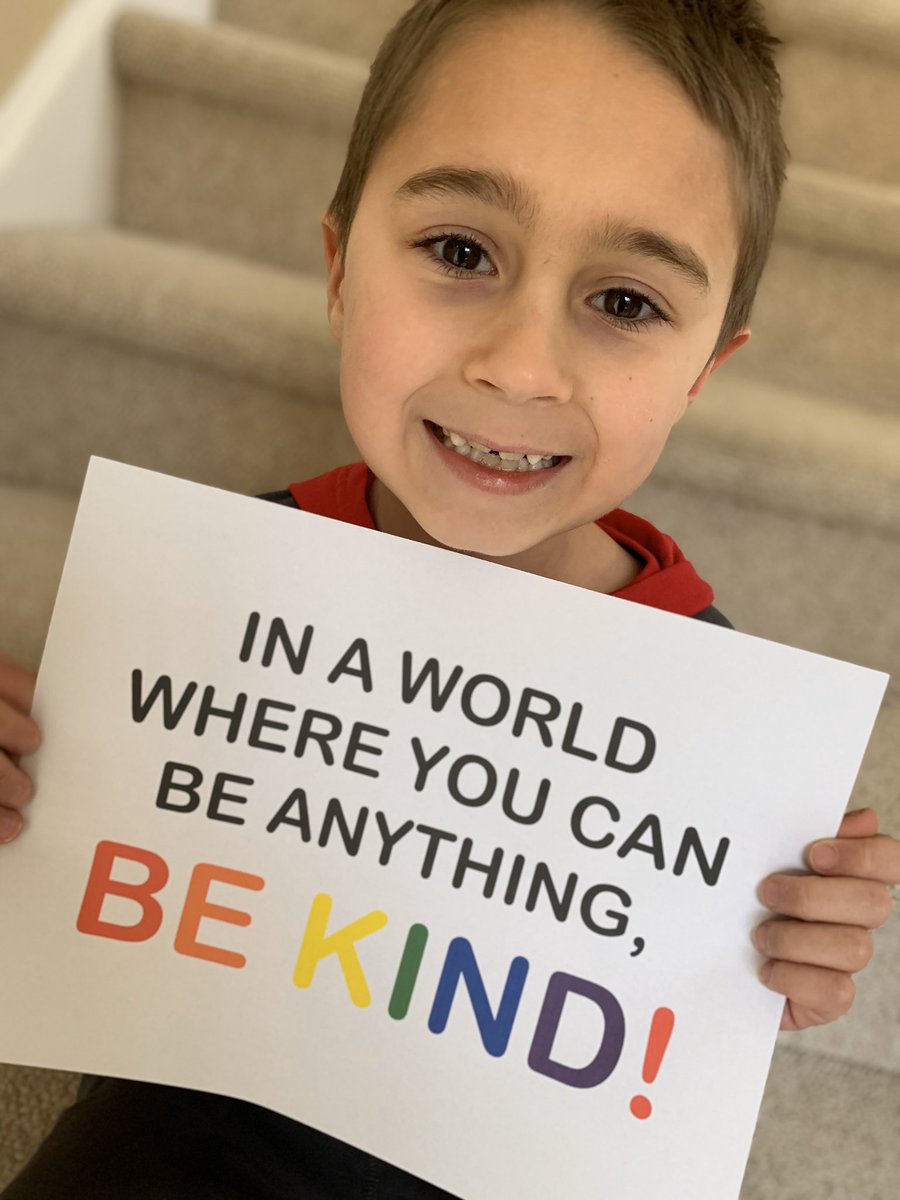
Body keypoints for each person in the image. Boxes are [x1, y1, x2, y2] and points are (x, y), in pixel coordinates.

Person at [1, 1, 898, 1195]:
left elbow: (653, 1037)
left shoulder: (704, 703)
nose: (519, 366)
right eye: (460, 252)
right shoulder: (214, 586)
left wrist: (759, 966)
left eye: (625, 303)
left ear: (701, 373)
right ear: (337, 267)